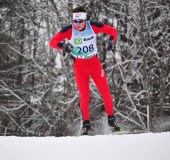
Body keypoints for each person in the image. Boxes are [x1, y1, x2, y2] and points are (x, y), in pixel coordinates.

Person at [49, 6, 120, 135]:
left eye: (80, 21)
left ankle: (112, 121)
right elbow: (52, 42)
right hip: (80, 67)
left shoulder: (93, 26)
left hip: (94, 64)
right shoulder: (68, 30)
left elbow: (113, 31)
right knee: (85, 97)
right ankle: (86, 125)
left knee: (106, 93)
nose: (77, 25)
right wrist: (63, 45)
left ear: (84, 20)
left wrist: (111, 41)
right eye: (75, 22)